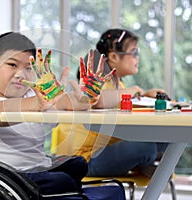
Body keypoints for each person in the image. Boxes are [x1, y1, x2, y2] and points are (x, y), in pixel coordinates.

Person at [0, 31, 111, 195]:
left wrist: (86, 97)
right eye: (12, 65)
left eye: (28, 68)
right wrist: (37, 104)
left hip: (35, 169)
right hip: (2, 177)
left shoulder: (34, 94)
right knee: (63, 181)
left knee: (78, 164)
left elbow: (66, 102)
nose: (20, 74)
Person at [55, 28, 168, 178]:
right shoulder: (96, 79)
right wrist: (133, 90)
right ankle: (145, 164)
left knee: (168, 139)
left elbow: (118, 103)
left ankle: (146, 164)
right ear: (114, 56)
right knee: (145, 147)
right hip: (83, 160)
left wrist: (145, 95)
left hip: (104, 152)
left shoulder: (119, 85)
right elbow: (97, 100)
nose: (137, 58)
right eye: (134, 53)